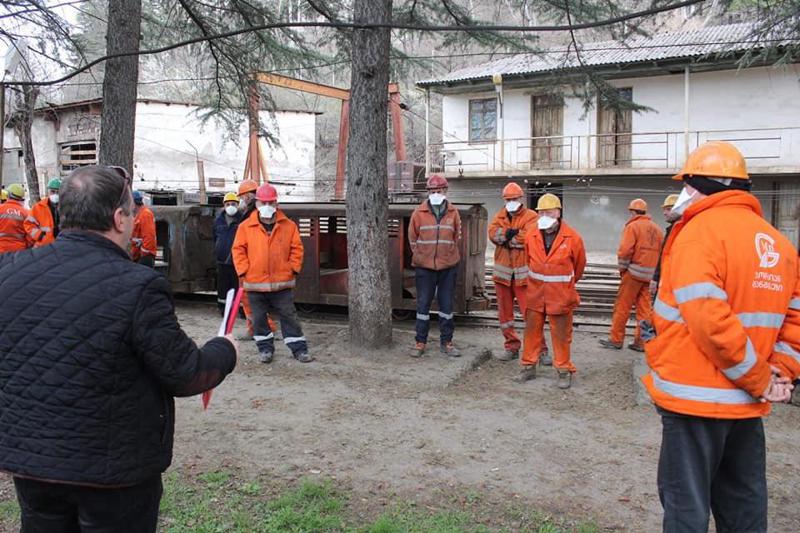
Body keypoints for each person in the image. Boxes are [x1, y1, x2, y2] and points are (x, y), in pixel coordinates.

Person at [0, 165, 238, 532]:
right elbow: (186, 373)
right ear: (118, 218)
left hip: (33, 465)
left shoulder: (10, 271)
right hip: (113, 473)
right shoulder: (137, 285)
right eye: (130, 213)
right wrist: (225, 349)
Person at [643, 141, 798, 532]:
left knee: (686, 508)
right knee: (743, 506)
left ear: (697, 184)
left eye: (687, 184)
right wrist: (778, 375)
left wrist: (761, 378)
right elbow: (793, 320)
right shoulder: (779, 244)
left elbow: (711, 322)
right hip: (747, 405)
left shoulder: (696, 235)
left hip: (695, 401)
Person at [232, 183, 312, 363]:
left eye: (270, 202)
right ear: (257, 203)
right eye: (263, 202)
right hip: (255, 283)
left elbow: (296, 249)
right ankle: (265, 349)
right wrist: (245, 271)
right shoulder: (245, 227)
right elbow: (238, 250)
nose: (267, 206)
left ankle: (299, 349)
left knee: (289, 316)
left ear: (276, 204)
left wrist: (292, 268)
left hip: (282, 282)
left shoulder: (289, 226)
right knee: (259, 319)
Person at [517, 193, 586, 389]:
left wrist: (564, 285)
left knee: (562, 335)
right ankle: (528, 367)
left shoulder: (572, 237)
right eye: (542, 212)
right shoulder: (531, 235)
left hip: (560, 296)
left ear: (558, 212)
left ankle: (563, 370)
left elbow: (579, 266)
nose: (545, 215)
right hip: (536, 294)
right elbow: (528, 260)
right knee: (531, 332)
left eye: (549, 212)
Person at [488, 182, 548, 362]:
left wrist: (506, 238)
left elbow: (529, 238)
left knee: (531, 314)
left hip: (522, 275)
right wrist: (512, 235)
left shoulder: (532, 216)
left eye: (514, 199)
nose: (511, 202)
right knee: (505, 316)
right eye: (508, 199)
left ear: (520, 199)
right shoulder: (500, 215)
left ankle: (541, 350)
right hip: (503, 275)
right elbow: (492, 234)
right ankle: (511, 346)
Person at [408, 174, 462, 358]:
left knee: (446, 306)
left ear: (445, 191)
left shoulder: (453, 213)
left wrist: (448, 256)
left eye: (439, 190)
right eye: (432, 191)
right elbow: (412, 238)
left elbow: (457, 237)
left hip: (448, 267)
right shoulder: (418, 213)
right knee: (423, 306)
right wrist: (421, 256)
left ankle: (447, 342)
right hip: (424, 267)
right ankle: (420, 341)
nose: (436, 193)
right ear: (428, 192)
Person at [599, 199, 664, 352]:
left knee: (622, 307)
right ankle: (641, 342)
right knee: (644, 309)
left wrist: (623, 270)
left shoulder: (632, 226)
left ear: (632, 212)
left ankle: (616, 339)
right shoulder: (658, 229)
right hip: (650, 276)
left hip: (633, 273)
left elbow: (625, 251)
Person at [214, 192, 243, 314]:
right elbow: (214, 237)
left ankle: (240, 309)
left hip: (237, 260)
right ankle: (223, 309)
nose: (230, 206)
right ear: (224, 206)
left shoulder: (242, 220)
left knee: (238, 286)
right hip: (222, 260)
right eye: (228, 204)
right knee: (223, 286)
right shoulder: (218, 221)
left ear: (238, 205)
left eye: (233, 204)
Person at [650, 193, 679, 298]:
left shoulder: (678, 230)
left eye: (668, 209)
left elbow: (665, 257)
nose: (664, 213)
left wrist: (656, 278)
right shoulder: (673, 229)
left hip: (670, 281)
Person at [25, 177, 61, 247]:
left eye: (58, 192)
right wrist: (39, 235)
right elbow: (28, 224)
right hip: (44, 245)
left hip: (61, 245)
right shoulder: (38, 207)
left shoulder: (67, 207)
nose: (55, 194)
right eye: (53, 191)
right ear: (48, 191)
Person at [130, 190, 157, 267]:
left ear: (133, 203)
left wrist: (144, 254)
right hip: (139, 256)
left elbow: (149, 237)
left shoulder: (145, 214)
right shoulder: (139, 215)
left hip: (145, 257)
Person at [0, 184, 30, 254]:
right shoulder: (26, 213)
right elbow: (30, 235)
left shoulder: (1, 209)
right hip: (19, 251)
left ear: (8, 195)